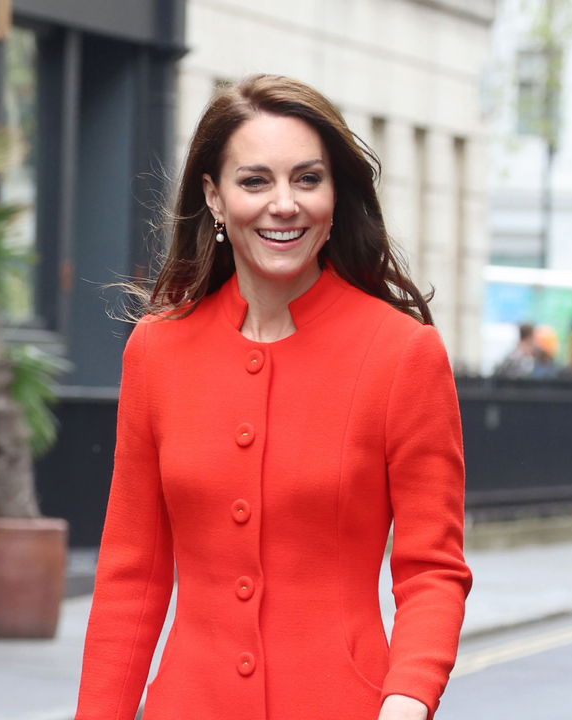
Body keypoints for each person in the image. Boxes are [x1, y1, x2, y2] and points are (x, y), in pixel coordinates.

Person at [75, 75, 472, 720]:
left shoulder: (404, 355)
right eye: (255, 181)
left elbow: (433, 571)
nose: (283, 204)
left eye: (307, 179)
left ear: (336, 194)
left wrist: (407, 701)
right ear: (215, 197)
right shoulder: (156, 352)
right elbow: (131, 577)